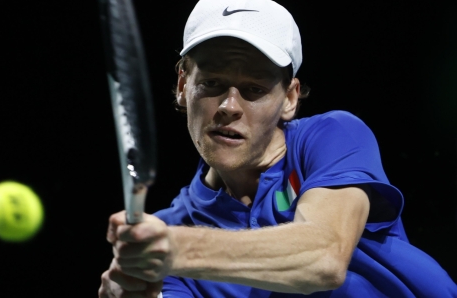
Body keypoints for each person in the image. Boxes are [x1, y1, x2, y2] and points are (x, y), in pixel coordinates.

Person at [99, 0, 457, 297]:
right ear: (182, 85)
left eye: (254, 89)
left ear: (289, 98)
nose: (229, 106)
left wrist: (176, 250)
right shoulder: (166, 230)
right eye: (212, 83)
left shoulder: (332, 136)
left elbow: (324, 257)